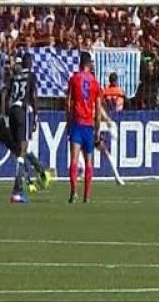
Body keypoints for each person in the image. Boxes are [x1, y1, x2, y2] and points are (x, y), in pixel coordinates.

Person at [0, 53, 51, 203]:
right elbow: (33, 96)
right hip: (23, 111)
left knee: (20, 149)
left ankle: (37, 172)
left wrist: (3, 114)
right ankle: (17, 189)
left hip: (12, 111)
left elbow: (5, 93)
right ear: (31, 64)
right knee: (22, 150)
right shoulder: (31, 76)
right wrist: (35, 115)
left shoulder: (15, 76)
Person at [66, 51, 102, 203]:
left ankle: (74, 192)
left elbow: (68, 103)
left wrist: (68, 121)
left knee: (74, 160)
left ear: (80, 63)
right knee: (88, 161)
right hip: (88, 125)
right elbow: (98, 109)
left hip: (77, 123)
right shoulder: (95, 83)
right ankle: (87, 196)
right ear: (89, 64)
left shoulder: (74, 79)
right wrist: (97, 129)